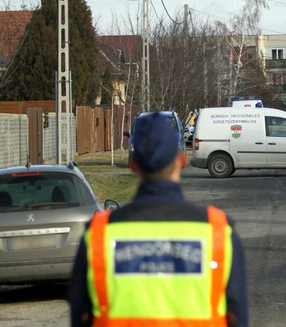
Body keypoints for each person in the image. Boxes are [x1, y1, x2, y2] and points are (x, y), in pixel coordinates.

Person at [68, 112, 248, 327]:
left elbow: (80, 317)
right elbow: (237, 317)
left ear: (134, 165)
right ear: (181, 161)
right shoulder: (218, 232)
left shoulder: (98, 235)